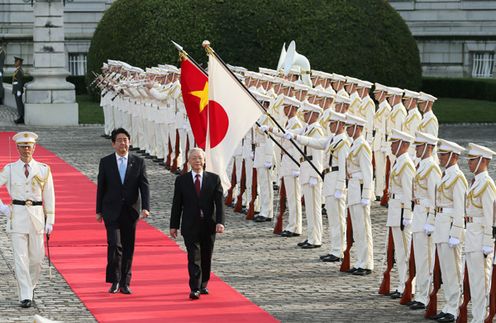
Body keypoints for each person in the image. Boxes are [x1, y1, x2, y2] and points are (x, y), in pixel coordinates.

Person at [0, 131, 55, 308]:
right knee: (20, 258)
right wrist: (3, 209)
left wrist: (50, 219)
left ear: (34, 147)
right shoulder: (9, 169)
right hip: (17, 216)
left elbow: (49, 195)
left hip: (37, 217)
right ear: (17, 148)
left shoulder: (43, 169)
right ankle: (25, 294)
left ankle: (30, 287)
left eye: (28, 146)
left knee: (37, 258)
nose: (26, 150)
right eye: (22, 146)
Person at [96, 128, 150, 294]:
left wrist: (146, 207)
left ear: (129, 142)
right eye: (119, 140)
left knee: (128, 246)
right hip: (111, 211)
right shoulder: (106, 162)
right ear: (113, 144)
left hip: (130, 211)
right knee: (114, 244)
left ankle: (125, 282)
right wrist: (98, 210)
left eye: (125, 140)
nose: (122, 143)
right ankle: (114, 280)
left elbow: (144, 186)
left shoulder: (138, 162)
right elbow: (101, 187)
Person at [170, 147, 225, 300]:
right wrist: (173, 225)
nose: (197, 161)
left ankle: (203, 284)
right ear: (189, 161)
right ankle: (194, 287)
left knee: (206, 256)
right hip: (189, 225)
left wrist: (220, 222)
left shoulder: (214, 179)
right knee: (194, 256)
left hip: (209, 225)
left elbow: (219, 204)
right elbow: (177, 204)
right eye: (194, 158)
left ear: (204, 160)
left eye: (199, 158)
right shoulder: (181, 180)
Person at [426, 139, 467, 322]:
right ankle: (448, 305)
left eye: (443, 155)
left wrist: (457, 232)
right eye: (440, 155)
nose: (440, 158)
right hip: (442, 226)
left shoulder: (458, 178)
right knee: (445, 269)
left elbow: (460, 207)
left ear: (454, 156)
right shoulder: (445, 176)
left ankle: (455, 308)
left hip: (450, 227)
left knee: (453, 270)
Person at [409, 132, 442, 311]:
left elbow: (435, 198)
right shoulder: (421, 166)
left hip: (426, 217)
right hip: (418, 214)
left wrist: (431, 220)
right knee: (420, 258)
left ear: (429, 147)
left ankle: (427, 295)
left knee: (426, 259)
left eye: (420, 146)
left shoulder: (432, 168)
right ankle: (420, 293)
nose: (417, 149)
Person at [464, 143, 496, 323]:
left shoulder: (487, 184)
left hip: (480, 239)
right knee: (473, 282)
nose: (469, 163)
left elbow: (491, 217)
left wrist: (487, 242)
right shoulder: (476, 182)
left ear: (483, 161)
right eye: (469, 160)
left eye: (472, 160)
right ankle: (476, 317)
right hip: (471, 236)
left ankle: (481, 318)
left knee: (481, 283)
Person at [386, 129, 415, 299]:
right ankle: (402, 283)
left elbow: (408, 192)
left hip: (402, 212)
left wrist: (407, 214)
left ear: (404, 145)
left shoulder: (406, 164)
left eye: (394, 143)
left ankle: (408, 285)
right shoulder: (398, 162)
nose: (391, 145)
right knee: (400, 251)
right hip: (395, 210)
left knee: (405, 251)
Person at [12, 56, 25, 124]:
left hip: (18, 90)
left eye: (16, 61)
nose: (15, 63)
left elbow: (20, 81)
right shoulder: (17, 70)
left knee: (19, 104)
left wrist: (19, 90)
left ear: (19, 62)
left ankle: (21, 118)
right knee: (18, 104)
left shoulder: (19, 71)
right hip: (16, 89)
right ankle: (20, 116)